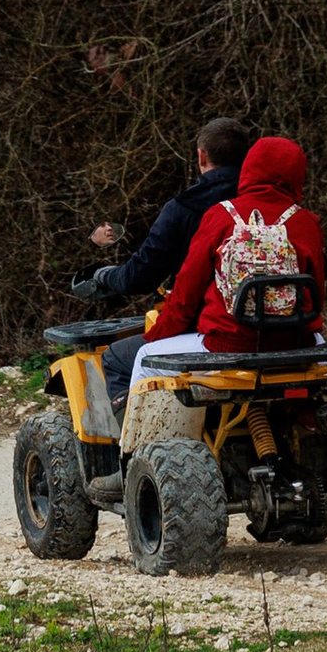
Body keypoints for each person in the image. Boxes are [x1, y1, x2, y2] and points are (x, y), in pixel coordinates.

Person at [71, 116, 253, 423]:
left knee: (116, 358)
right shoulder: (271, 206)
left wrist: (104, 275)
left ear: (201, 156)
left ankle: (131, 456)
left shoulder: (189, 210)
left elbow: (142, 277)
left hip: (210, 329)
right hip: (278, 327)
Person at [147, 132, 327, 359]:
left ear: (249, 168)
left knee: (144, 356)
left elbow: (186, 295)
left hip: (226, 342)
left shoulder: (220, 216)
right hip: (297, 342)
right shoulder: (307, 223)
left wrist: (157, 335)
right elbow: (317, 297)